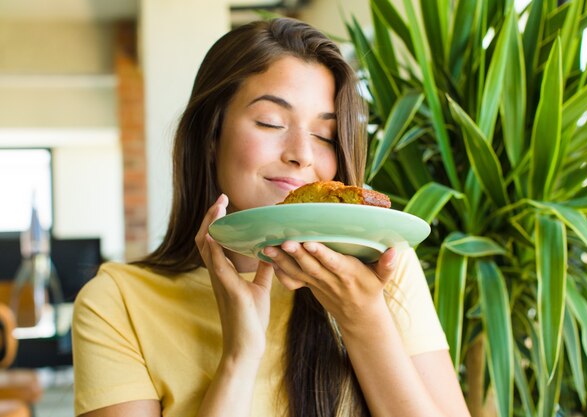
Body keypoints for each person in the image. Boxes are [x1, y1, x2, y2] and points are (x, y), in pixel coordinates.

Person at [72, 17, 471, 417]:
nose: (302, 154)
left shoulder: (383, 268)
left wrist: (363, 320)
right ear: (211, 135)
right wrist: (239, 358)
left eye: (325, 136)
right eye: (271, 122)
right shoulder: (118, 302)